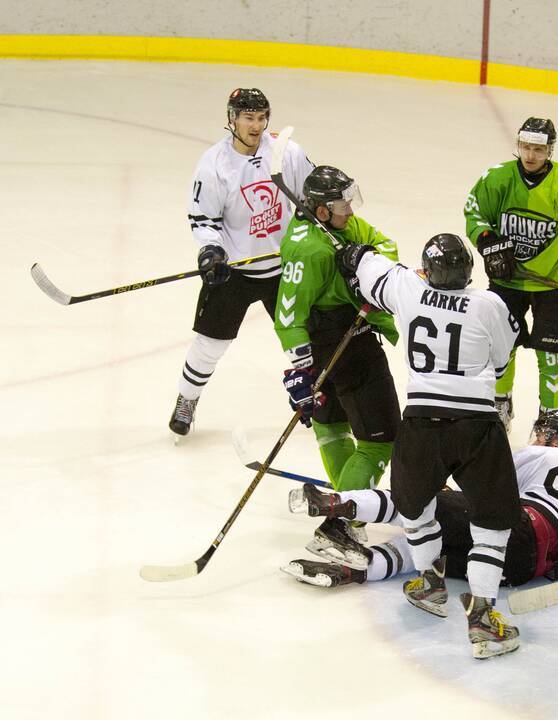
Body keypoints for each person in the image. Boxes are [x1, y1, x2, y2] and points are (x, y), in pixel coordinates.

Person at [335, 233, 523, 659]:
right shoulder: (488, 304)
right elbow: (502, 359)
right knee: (493, 521)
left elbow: (363, 263)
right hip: (477, 424)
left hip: (421, 422)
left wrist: (352, 252)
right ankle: (482, 616)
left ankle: (430, 581)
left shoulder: (408, 288)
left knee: (413, 504)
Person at [282, 411, 558, 597]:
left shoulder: (547, 455)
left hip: (520, 529)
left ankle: (335, 505)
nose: (536, 441)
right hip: (523, 571)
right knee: (428, 552)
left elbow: (485, 484)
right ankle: (360, 567)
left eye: (543, 436)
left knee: (417, 503)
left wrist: (440, 485)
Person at [273, 164, 402, 558]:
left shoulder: (344, 229)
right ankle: (339, 524)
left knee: (333, 431)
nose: (350, 209)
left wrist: (363, 260)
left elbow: (387, 244)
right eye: (341, 203)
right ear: (321, 209)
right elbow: (288, 314)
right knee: (381, 443)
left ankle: (345, 513)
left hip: (332, 341)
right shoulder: (308, 248)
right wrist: (300, 370)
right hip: (346, 343)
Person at [169, 88, 314, 437]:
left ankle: (323, 401)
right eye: (249, 117)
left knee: (304, 342)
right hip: (233, 271)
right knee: (209, 345)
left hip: (283, 267)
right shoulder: (214, 165)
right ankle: (187, 400)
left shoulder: (285, 153)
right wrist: (211, 252)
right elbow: (204, 220)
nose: (257, 125)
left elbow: (311, 197)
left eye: (262, 117)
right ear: (232, 119)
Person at [464, 117, 558, 430]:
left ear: (550, 151)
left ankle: (550, 419)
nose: (530, 155)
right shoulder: (497, 178)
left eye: (538, 149)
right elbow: (475, 213)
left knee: (554, 356)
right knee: (501, 348)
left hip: (554, 285)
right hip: (507, 282)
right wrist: (488, 241)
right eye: (526, 147)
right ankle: (500, 405)